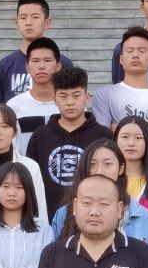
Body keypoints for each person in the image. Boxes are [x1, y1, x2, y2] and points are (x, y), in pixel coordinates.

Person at [26, 65, 110, 215]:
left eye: (76, 95)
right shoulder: (40, 136)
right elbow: (30, 180)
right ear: (54, 99)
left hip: (93, 216)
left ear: (87, 97)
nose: (70, 102)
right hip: (47, 218)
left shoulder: (104, 136)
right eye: (63, 96)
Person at [0, 0, 71, 104]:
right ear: (17, 23)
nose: (28, 22)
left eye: (35, 17)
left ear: (47, 22)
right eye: (23, 18)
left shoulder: (63, 63)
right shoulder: (5, 65)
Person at [115, 116, 148, 239]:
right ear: (116, 140)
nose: (131, 143)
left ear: (147, 142)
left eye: (138, 138)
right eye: (125, 137)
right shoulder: (107, 180)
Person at [93, 26, 148, 130]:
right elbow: (103, 133)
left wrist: (116, 127)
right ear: (121, 59)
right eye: (130, 51)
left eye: (142, 51)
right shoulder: (105, 94)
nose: (135, 55)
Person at [6, 37, 62, 150]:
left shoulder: (70, 105)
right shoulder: (13, 106)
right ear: (27, 67)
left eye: (47, 60)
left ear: (58, 66)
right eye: (35, 61)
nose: (41, 66)